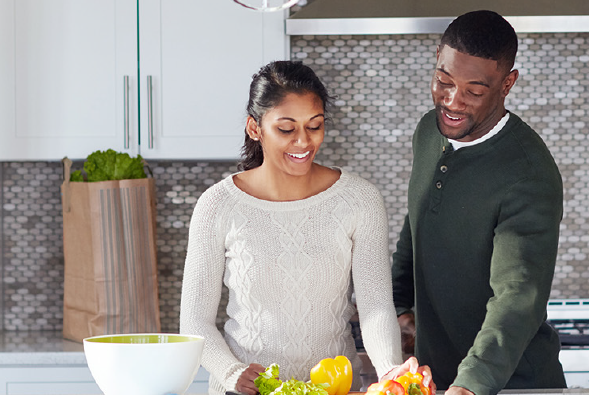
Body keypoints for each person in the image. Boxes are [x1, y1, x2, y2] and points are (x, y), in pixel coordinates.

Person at [181, 61, 427, 395]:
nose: (303, 141)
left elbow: (375, 306)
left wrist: (389, 373)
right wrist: (231, 372)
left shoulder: (359, 199)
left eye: (315, 126)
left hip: (335, 389)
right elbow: (195, 322)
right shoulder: (218, 206)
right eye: (286, 129)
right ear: (255, 128)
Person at [390, 10, 567, 395]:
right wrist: (396, 305)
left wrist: (471, 384)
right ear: (437, 56)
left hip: (511, 385)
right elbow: (416, 221)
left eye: (474, 91)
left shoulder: (527, 172)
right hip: (435, 380)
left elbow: (518, 296)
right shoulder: (427, 132)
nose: (453, 101)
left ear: (507, 84)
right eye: (443, 81)